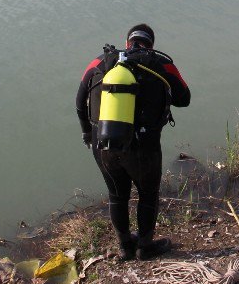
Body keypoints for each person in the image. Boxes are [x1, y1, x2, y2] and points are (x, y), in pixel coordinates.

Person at [76, 24, 191, 260]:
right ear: (151, 44)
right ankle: (144, 248)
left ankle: (124, 246)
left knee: (117, 195)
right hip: (144, 146)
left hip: (104, 142)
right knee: (148, 194)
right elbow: (184, 98)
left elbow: (79, 101)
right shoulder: (162, 64)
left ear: (127, 42)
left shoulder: (101, 61)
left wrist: (87, 133)